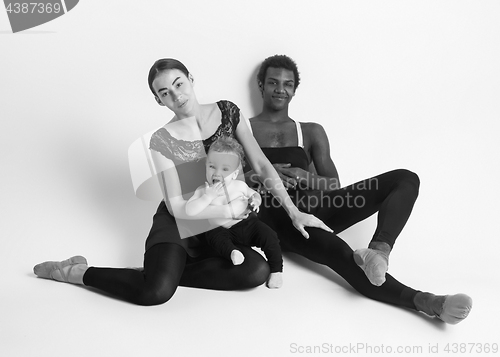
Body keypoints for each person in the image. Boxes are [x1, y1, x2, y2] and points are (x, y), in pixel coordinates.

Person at [33, 58, 329, 305]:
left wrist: (294, 211)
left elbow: (262, 164)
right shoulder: (161, 140)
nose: (176, 96)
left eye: (178, 84)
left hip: (217, 226)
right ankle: (74, 272)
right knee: (155, 293)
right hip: (180, 220)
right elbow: (177, 207)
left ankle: (163, 271)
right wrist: (227, 212)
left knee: (255, 271)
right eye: (164, 93)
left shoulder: (227, 111)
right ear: (158, 100)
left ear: (190, 78)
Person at [245, 54, 472, 324]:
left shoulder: (311, 131)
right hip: (278, 218)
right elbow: (226, 179)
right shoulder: (243, 129)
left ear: (295, 89)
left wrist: (302, 175)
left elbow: (333, 185)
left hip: (316, 209)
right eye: (272, 82)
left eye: (287, 84)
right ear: (261, 86)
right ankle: (427, 301)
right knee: (340, 253)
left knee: (405, 178)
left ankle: (379, 251)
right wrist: (258, 176)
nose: (280, 89)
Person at [186, 136, 283, 288]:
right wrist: (206, 197)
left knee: (269, 235)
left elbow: (254, 194)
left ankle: (277, 270)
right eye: (212, 166)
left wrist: (256, 201)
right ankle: (232, 253)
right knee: (214, 236)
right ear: (206, 165)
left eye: (225, 169)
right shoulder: (202, 190)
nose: (217, 173)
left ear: (235, 173)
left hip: (247, 225)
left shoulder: (240, 186)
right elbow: (189, 210)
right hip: (222, 230)